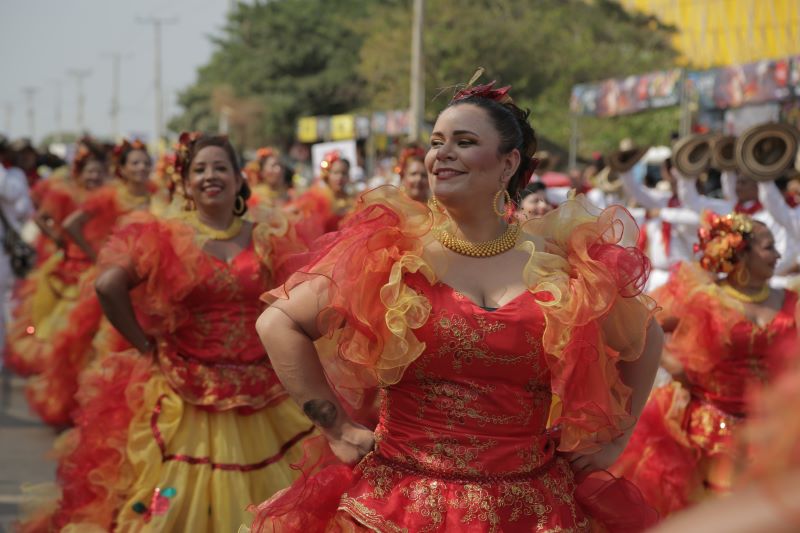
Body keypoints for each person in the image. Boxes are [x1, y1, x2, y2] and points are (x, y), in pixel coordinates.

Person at [246, 80, 663, 532]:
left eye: (464, 142)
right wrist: (338, 428)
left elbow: (645, 337)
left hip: (533, 508)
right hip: (397, 507)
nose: (441, 154)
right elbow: (278, 321)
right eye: (436, 143)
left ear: (508, 164)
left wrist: (614, 441)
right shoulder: (391, 256)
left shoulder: (563, 263)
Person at [20, 133, 315, 532]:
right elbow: (108, 285)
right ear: (186, 183)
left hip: (263, 391)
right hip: (184, 391)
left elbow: (298, 298)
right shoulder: (166, 234)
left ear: (238, 177)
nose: (210, 176)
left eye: (219, 167)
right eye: (200, 169)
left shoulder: (268, 236)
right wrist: (144, 345)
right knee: (167, 504)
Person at [611, 211, 798, 518]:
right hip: (703, 429)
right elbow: (642, 327)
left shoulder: (790, 299)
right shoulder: (702, 295)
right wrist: (673, 364)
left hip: (770, 430)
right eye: (769, 247)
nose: (778, 255)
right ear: (740, 252)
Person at [24, 139, 154, 426]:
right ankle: (95, 409)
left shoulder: (160, 196)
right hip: (113, 280)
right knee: (101, 347)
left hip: (149, 285)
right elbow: (70, 223)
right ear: (122, 168)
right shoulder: (111, 195)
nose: (142, 168)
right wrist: (96, 254)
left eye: (146, 162)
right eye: (135, 163)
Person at [4, 142, 108, 377]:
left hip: (100, 266)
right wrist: (57, 237)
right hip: (71, 266)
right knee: (64, 327)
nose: (94, 176)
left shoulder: (107, 196)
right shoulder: (65, 193)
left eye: (99, 172)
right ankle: (64, 371)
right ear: (79, 173)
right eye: (90, 172)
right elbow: (40, 216)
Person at [676, 168, 798, 287]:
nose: (737, 187)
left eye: (743, 183)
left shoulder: (775, 214)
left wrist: (762, 171)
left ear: (757, 186)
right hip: (737, 282)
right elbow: (691, 201)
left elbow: (782, 255)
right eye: (737, 182)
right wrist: (686, 170)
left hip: (776, 281)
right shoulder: (730, 210)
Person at [620, 158, 700, 292]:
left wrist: (662, 213)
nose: (677, 182)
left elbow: (695, 219)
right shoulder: (664, 200)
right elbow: (637, 192)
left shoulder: (696, 206)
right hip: (658, 277)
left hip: (684, 277)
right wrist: (625, 170)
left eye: (680, 177)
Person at [0, 137, 34, 361]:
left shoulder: (13, 177)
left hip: (5, 249)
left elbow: (21, 206)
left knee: (10, 301)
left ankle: (9, 354)